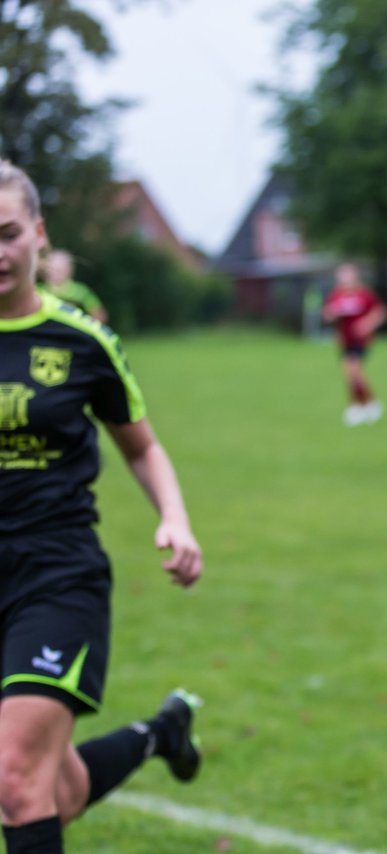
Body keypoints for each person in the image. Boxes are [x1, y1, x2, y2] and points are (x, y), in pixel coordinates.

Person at [0, 159, 204, 854]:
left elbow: (142, 447)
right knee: (52, 790)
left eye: (7, 234)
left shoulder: (83, 342)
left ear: (38, 233)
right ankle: (159, 734)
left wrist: (172, 517)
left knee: (14, 780)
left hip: (56, 575)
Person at [321, 262, 386, 426]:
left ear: (355, 276)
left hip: (361, 340)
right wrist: (332, 315)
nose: (345, 278)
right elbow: (327, 314)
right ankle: (366, 404)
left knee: (354, 370)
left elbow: (380, 311)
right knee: (349, 374)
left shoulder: (364, 294)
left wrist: (367, 324)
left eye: (348, 274)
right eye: (342, 275)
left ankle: (360, 406)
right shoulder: (336, 295)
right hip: (345, 340)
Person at [39, 250, 107, 324]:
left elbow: (99, 315)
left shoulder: (80, 291)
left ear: (69, 270)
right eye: (52, 268)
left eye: (59, 269)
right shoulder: (39, 290)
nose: (54, 272)